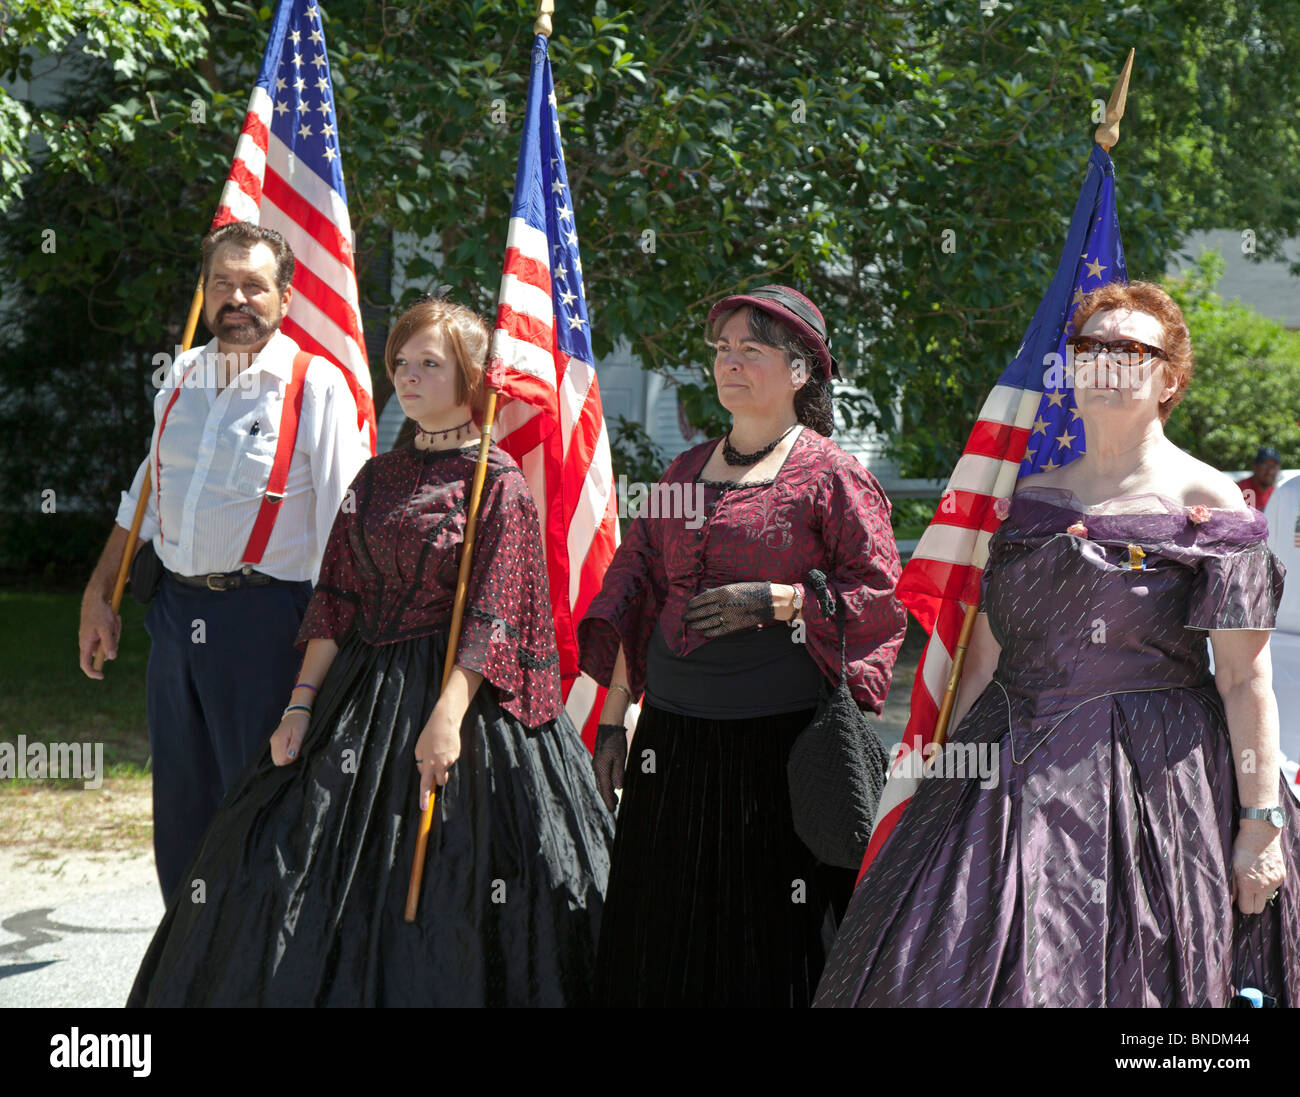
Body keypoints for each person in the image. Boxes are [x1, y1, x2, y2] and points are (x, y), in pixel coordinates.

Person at [816, 281, 1300, 1007]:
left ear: (1169, 376)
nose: (1105, 361)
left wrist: (1259, 821)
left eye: (1130, 348)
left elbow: (1243, 679)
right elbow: (982, 662)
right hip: (1007, 773)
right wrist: (940, 784)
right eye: (1090, 347)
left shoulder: (1211, 503)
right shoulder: (1027, 498)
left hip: (1158, 785)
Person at [126, 297, 613, 1007]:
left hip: (467, 704)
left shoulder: (500, 483)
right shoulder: (374, 477)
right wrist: (299, 703)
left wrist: (446, 718)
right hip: (360, 691)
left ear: (472, 377)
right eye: (401, 364)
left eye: (429, 364)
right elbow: (337, 598)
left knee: (459, 886)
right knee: (280, 856)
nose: (407, 377)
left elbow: (493, 616)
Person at [578, 284, 907, 1007]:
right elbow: (638, 597)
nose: (729, 362)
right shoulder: (679, 474)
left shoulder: (835, 476)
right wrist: (612, 720)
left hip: (780, 755)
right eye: (722, 349)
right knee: (663, 938)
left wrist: (784, 599)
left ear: (800, 371)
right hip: (672, 746)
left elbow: (881, 600)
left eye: (750, 349)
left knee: (772, 946)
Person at [78, 221, 370, 903]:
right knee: (182, 809)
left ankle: (266, 969)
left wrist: (331, 667)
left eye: (254, 285)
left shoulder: (314, 387)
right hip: (176, 619)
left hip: (268, 625)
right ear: (205, 292)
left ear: (285, 296)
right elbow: (145, 495)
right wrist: (100, 594)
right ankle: (188, 961)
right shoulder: (180, 376)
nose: (236, 298)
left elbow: (345, 534)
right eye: (222, 283)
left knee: (266, 806)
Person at [1238, 444, 1283, 511]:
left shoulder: (1277, 494)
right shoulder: (1238, 491)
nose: (1269, 472)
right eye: (1265, 466)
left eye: (1274, 467)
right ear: (1254, 467)